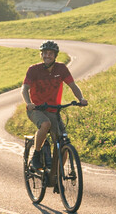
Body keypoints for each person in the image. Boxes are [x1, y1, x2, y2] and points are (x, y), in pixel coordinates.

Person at [21, 41, 88, 178]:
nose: (47, 55)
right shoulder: (33, 69)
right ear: (41, 55)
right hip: (36, 109)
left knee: (62, 143)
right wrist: (29, 103)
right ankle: (36, 155)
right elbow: (24, 88)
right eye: (45, 53)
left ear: (55, 55)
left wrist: (81, 99)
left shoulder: (61, 69)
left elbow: (73, 86)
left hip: (53, 110)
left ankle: (56, 175)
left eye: (50, 53)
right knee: (45, 124)